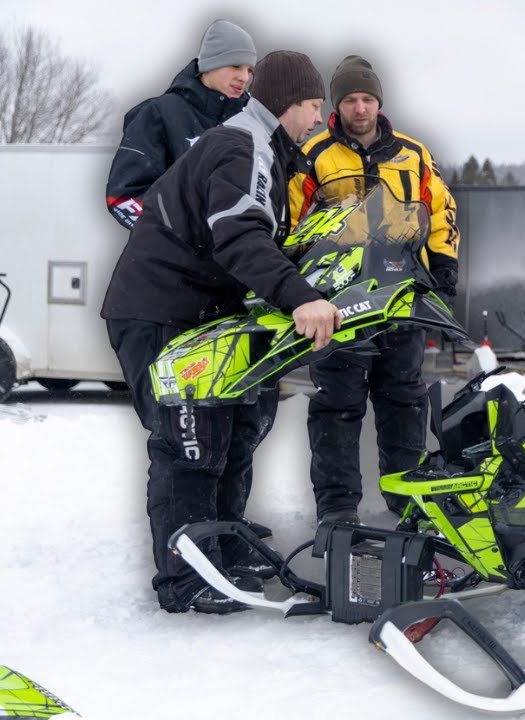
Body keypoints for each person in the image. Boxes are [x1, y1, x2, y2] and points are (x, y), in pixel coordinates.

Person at [101, 51, 340, 614]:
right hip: (159, 309)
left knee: (230, 434)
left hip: (197, 310)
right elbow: (239, 237)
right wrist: (301, 297)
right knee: (188, 443)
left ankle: (224, 550)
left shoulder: (262, 149)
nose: (316, 119)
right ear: (286, 104)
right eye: (311, 106)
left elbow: (253, 240)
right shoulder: (243, 145)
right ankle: (185, 578)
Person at [289, 55, 462, 524]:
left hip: (400, 294)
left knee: (403, 397)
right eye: (349, 99)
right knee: (336, 403)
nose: (359, 108)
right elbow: (291, 222)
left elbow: (442, 211)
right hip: (339, 300)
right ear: (337, 104)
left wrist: (444, 270)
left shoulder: (412, 152)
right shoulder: (315, 153)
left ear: (379, 101)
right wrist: (292, 283)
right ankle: (338, 508)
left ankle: (406, 500)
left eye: (367, 98)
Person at [106, 20, 257, 229]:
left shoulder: (251, 123)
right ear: (210, 64)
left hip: (237, 257)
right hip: (171, 258)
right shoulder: (158, 114)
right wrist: (178, 238)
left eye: (250, 70)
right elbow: (124, 196)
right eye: (235, 65)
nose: (244, 77)